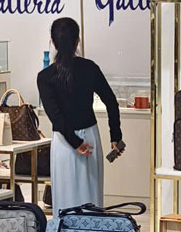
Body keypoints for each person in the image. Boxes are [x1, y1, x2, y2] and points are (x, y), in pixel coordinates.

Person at [36, 17, 123, 213]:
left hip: (63, 141)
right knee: (91, 198)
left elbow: (56, 117)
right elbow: (111, 101)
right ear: (77, 41)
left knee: (64, 200)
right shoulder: (90, 68)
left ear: (53, 42)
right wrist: (115, 136)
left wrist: (75, 142)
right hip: (90, 137)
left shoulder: (45, 77)